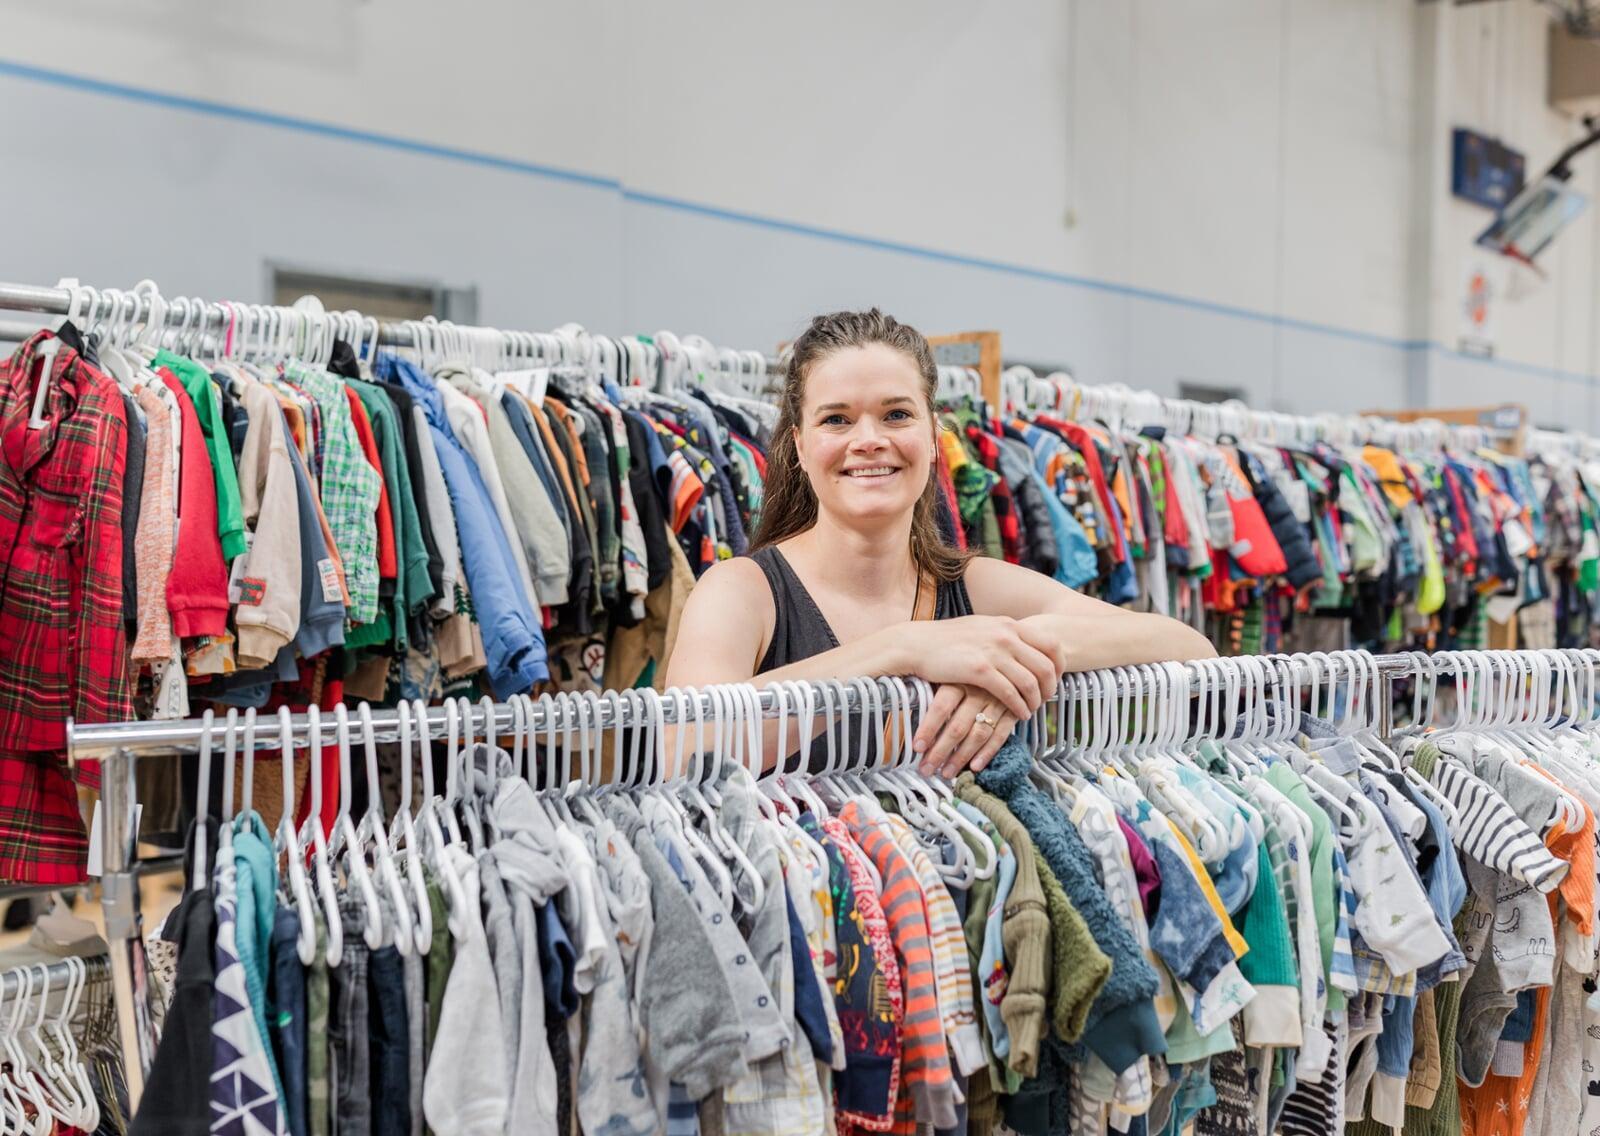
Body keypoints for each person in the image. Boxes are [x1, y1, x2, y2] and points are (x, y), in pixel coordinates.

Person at [666, 309, 1215, 778]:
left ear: (933, 438)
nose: (869, 440)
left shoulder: (975, 588)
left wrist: (1020, 653)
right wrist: (904, 650)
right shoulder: (742, 592)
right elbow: (678, 751)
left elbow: (1193, 651)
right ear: (800, 447)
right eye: (837, 419)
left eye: (896, 414)